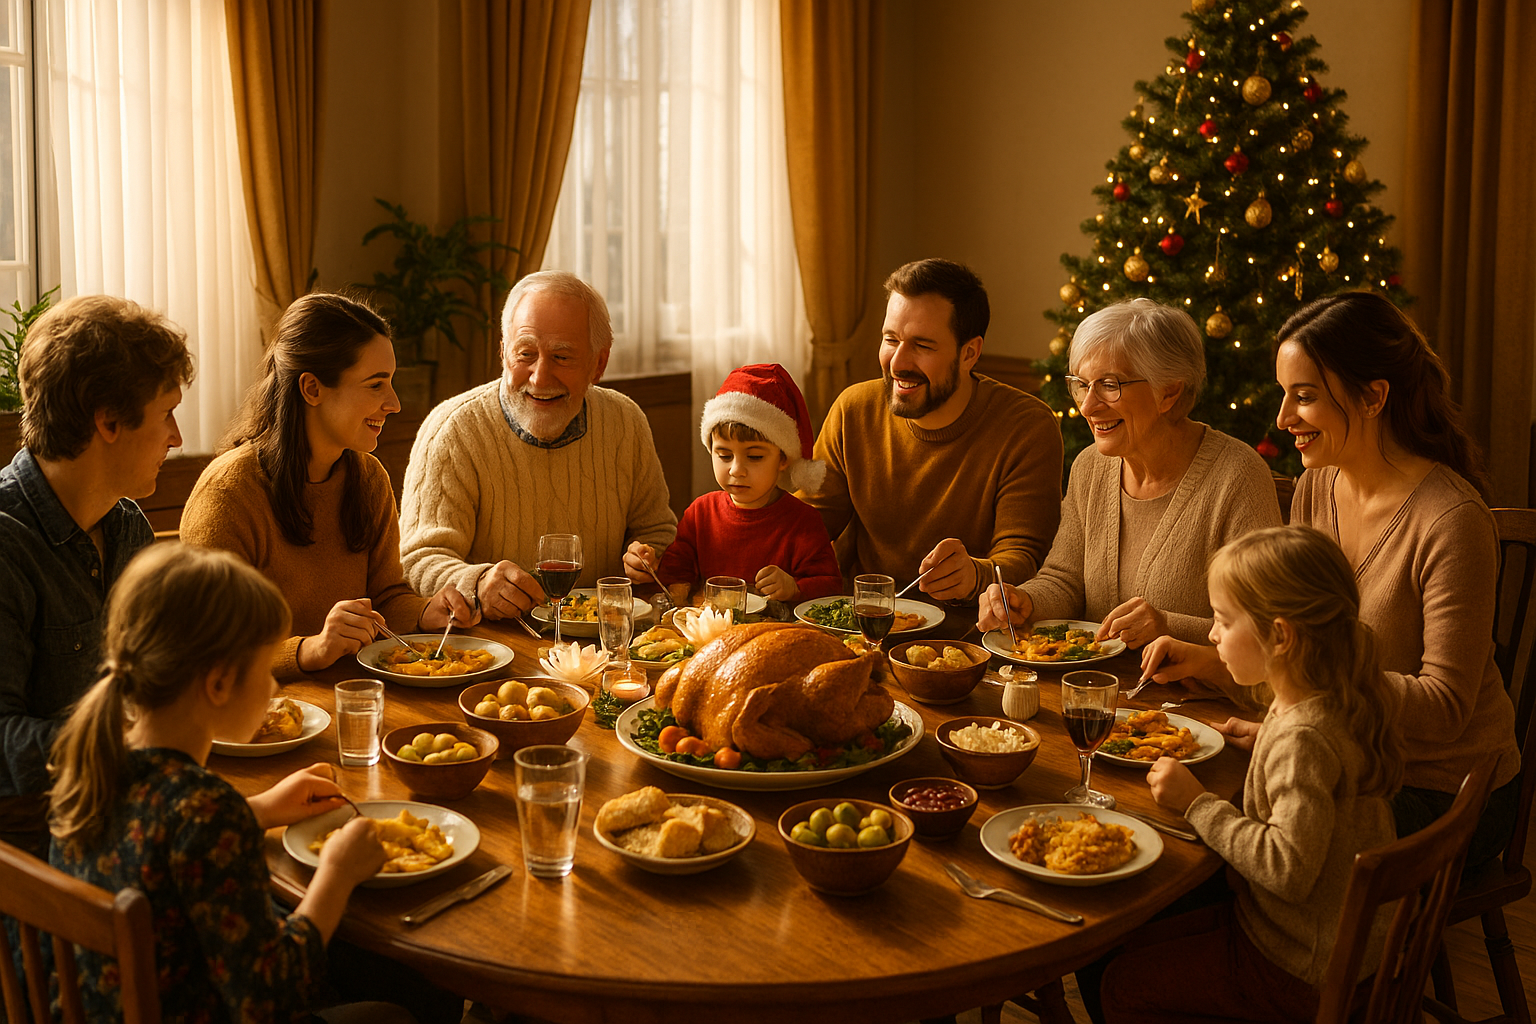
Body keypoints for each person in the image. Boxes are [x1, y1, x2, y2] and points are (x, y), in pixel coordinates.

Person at [1141, 292, 1521, 867]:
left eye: (1305, 396)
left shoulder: (1451, 521)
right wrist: (1211, 660)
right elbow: (1296, 640)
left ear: (1373, 397)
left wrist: (1304, 701)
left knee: (1204, 854)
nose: (1283, 418)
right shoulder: (1318, 487)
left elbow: (1445, 707)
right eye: (1284, 394)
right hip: (1341, 752)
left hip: (1443, 791)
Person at [48, 543, 416, 1023]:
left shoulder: (96, 766)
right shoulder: (206, 812)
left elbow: (159, 849)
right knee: (397, 1010)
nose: (274, 689)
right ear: (219, 685)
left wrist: (256, 811)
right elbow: (269, 994)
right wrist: (337, 874)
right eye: (264, 671)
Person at [1096, 525, 1404, 1023]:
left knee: (1121, 982)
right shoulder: (1327, 702)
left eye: (1222, 620)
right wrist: (1266, 738)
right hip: (1327, 942)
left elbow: (1288, 870)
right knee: (1126, 940)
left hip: (1296, 967)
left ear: (1279, 635)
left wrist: (1196, 803)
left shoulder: (1303, 738)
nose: (1212, 634)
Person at [181, 293, 475, 679]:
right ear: (312, 389)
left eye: (391, 382)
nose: (394, 403)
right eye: (375, 385)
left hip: (355, 696)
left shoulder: (369, 478)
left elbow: (385, 596)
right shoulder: (228, 496)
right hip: (261, 718)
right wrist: (310, 650)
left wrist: (424, 611)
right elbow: (208, 650)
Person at [0, 295, 193, 859]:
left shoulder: (126, 525)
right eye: (166, 414)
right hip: (35, 863)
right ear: (108, 421)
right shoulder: (7, 545)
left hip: (120, 811)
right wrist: (136, 742)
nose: (177, 437)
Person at [975, 298, 1281, 650]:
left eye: (1109, 384)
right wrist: (1024, 601)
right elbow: (1065, 579)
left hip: (1190, 701)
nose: (1088, 407)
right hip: (1089, 691)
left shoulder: (1238, 476)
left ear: (1169, 392)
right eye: (1081, 384)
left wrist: (1168, 625)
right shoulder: (1090, 466)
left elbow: (1262, 627)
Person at [399, 271, 677, 620]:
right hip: (491, 647)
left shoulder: (625, 421)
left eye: (562, 357)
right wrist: (477, 582)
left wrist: (645, 558)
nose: (540, 377)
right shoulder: (453, 430)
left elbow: (656, 532)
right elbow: (418, 561)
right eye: (525, 353)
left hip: (602, 640)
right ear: (503, 352)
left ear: (599, 364)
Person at [798, 258, 1063, 601]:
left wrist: (976, 574)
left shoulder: (1026, 427)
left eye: (922, 346)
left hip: (972, 634)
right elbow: (807, 527)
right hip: (862, 620)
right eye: (891, 339)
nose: (897, 363)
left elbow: (1026, 557)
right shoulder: (853, 409)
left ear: (969, 353)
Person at [657, 364, 841, 606]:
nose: (736, 470)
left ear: (783, 458)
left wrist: (795, 588)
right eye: (724, 455)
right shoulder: (700, 514)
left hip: (777, 635)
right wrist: (653, 567)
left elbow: (832, 586)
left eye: (754, 457)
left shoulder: (802, 522)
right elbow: (675, 573)